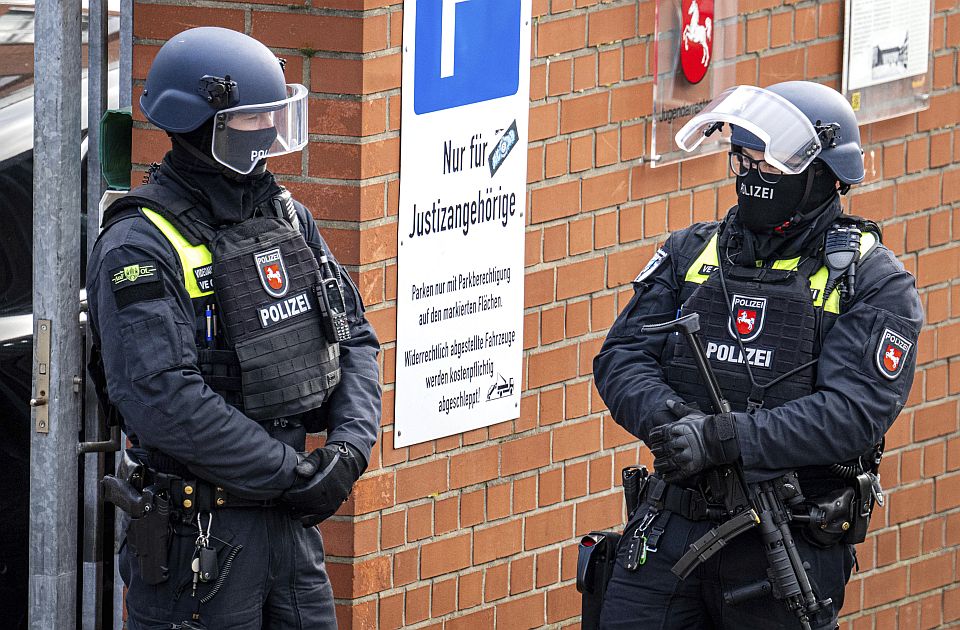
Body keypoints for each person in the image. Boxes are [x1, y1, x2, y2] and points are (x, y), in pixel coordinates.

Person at [592, 81, 923, 629]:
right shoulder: (691, 252)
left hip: (783, 539)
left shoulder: (871, 282)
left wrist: (722, 439)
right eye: (741, 160)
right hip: (673, 522)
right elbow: (622, 357)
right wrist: (676, 426)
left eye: (768, 165)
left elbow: (852, 415)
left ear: (825, 175)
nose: (750, 177)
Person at [86, 27, 381, 629]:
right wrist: (289, 473)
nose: (271, 132)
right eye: (253, 120)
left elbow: (354, 338)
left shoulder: (287, 217)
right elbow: (162, 397)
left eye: (277, 115)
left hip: (290, 535)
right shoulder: (137, 243)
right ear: (202, 126)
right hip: (198, 543)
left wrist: (347, 449)